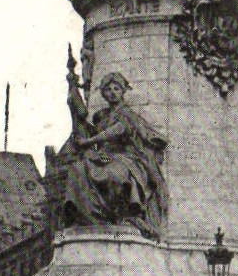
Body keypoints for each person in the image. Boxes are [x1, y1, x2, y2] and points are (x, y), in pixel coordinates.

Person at [63, 72, 168, 239]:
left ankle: (125, 214)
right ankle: (90, 217)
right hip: (104, 155)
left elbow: (117, 130)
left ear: (123, 91)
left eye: (116, 89)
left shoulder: (126, 114)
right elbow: (88, 128)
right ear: (104, 93)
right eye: (108, 89)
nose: (112, 92)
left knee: (115, 173)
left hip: (127, 156)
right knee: (78, 169)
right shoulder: (101, 116)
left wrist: (90, 141)